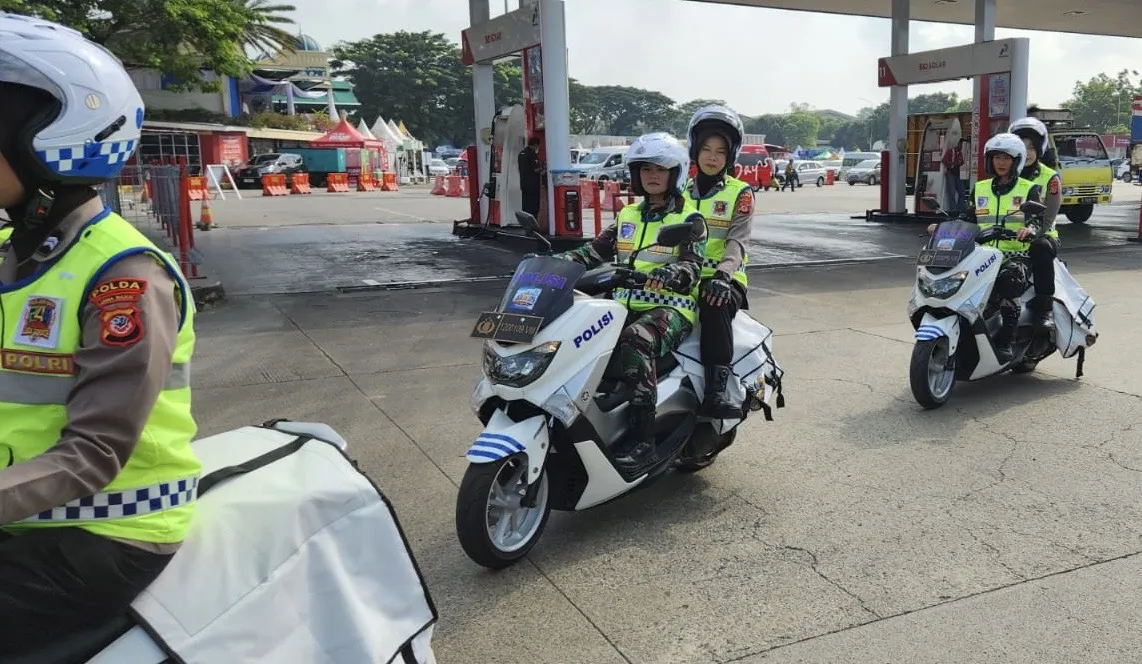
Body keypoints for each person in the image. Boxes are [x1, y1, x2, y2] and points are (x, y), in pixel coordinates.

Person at [0, 13, 201, 654]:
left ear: (45, 140)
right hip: (26, 515)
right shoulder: (14, 252)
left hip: (110, 532)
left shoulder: (124, 276)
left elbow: (94, 453)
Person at [552, 132, 705, 476]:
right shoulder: (628, 215)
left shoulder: (690, 219)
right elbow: (591, 253)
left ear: (675, 173)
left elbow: (692, 268)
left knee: (637, 339)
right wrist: (552, 263)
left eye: (661, 169)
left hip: (671, 309)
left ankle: (643, 441)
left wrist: (669, 274)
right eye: (645, 168)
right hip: (623, 304)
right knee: (576, 332)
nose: (652, 175)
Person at [682, 105, 754, 418]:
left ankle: (716, 391)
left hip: (726, 280)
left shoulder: (741, 192)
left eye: (720, 151)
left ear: (731, 155)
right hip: (684, 274)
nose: (712, 157)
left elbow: (738, 241)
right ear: (695, 151)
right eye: (706, 149)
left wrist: (723, 276)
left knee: (713, 302)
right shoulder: (679, 190)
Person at [950, 133, 1045, 362]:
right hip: (981, 254)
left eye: (1007, 158)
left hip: (1015, 255)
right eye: (996, 157)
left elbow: (1037, 220)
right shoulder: (980, 188)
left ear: (1016, 161)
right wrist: (947, 228)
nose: (1001, 162)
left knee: (1007, 281)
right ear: (989, 160)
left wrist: (1029, 229)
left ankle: (1006, 339)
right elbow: (967, 218)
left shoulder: (1028, 188)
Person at [1009, 116, 1063, 331]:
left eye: (1031, 146)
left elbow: (1048, 217)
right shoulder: (1004, 175)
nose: (1027, 151)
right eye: (1022, 145)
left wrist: (1031, 231)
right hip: (1006, 236)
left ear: (1039, 148)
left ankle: (1044, 307)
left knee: (1041, 247)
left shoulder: (1050, 178)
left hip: (1041, 235)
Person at [518, 136, 542, 217]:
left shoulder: (521, 154)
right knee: (533, 207)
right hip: (533, 186)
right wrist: (542, 168)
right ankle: (534, 225)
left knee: (526, 206)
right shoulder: (532, 154)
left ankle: (527, 224)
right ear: (535, 145)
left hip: (524, 184)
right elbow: (536, 169)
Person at [942, 137, 966, 212]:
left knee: (961, 192)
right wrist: (952, 165)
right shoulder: (951, 151)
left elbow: (961, 162)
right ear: (958, 144)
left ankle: (960, 209)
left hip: (957, 174)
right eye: (961, 145)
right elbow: (944, 160)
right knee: (952, 192)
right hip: (951, 173)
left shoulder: (960, 153)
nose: (962, 146)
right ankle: (954, 209)